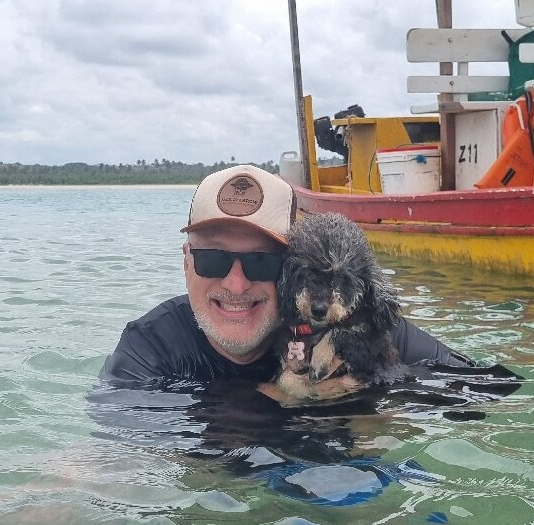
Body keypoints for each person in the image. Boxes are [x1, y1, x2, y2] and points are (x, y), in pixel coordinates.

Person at [101, 164, 478, 394]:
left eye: (262, 262)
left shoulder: (363, 322)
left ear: (296, 270)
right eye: (212, 258)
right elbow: (108, 452)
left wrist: (386, 402)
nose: (235, 284)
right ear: (186, 262)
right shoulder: (152, 347)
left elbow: (485, 387)